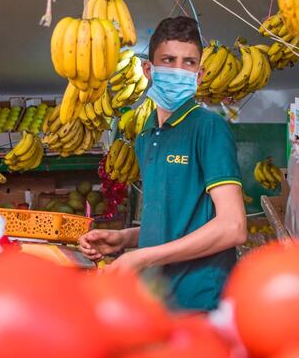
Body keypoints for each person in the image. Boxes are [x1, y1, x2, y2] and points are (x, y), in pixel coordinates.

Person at [78, 16, 247, 311]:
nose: (178, 70)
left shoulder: (209, 128)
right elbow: (175, 221)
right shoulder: (146, 135)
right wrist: (124, 239)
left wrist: (143, 257)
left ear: (200, 74)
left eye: (189, 62)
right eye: (168, 60)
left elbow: (233, 227)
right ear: (148, 69)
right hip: (157, 300)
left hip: (200, 301)